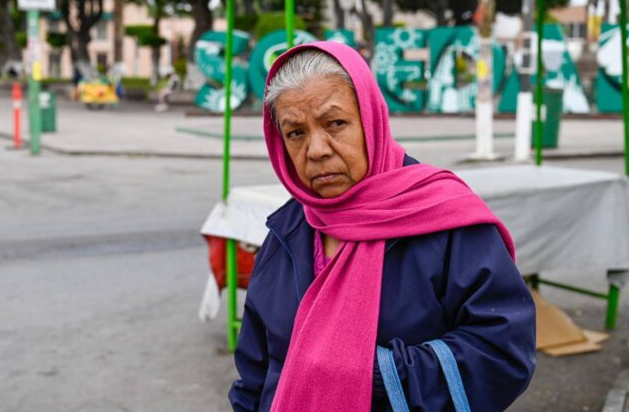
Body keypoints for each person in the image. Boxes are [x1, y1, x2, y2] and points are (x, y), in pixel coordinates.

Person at [228, 42, 536, 412]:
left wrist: (377, 373)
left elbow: (503, 352)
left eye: (335, 123)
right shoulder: (287, 231)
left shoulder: (445, 220)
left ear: (371, 119)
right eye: (296, 133)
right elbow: (255, 373)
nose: (316, 149)